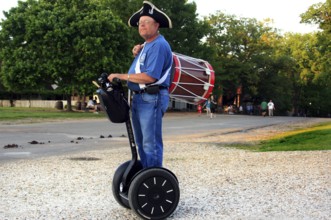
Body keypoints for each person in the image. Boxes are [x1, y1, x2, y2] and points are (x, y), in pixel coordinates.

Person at [107, 1, 173, 168]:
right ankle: (145, 177)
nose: (141, 25)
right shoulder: (147, 46)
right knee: (142, 142)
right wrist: (137, 51)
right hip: (141, 98)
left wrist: (121, 76)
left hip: (151, 97)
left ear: (157, 25)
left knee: (150, 143)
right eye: (140, 23)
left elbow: (150, 76)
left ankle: (153, 181)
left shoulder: (158, 45)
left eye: (146, 22)